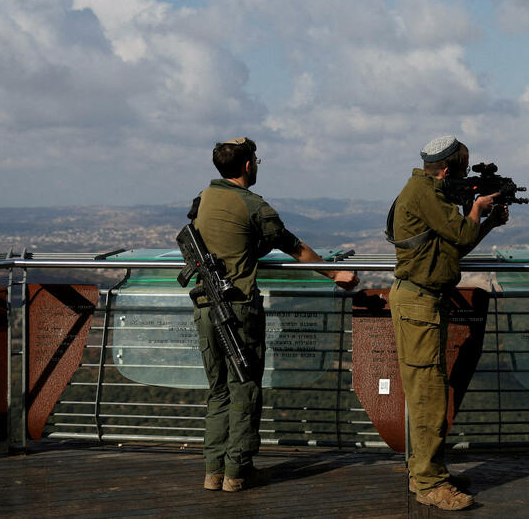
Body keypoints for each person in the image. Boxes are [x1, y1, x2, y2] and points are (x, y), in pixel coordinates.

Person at [190, 137, 358, 492]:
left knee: (218, 389)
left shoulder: (204, 199)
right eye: (256, 160)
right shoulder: (253, 205)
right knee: (245, 388)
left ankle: (212, 471)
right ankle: (238, 471)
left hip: (205, 305)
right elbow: (294, 246)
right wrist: (336, 274)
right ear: (248, 165)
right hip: (237, 308)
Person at [389, 135, 508, 511]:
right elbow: (460, 232)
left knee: (429, 391)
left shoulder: (428, 191)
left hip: (426, 301)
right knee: (430, 396)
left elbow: (455, 246)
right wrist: (476, 208)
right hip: (418, 302)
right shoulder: (425, 193)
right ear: (445, 170)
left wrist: (486, 222)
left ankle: (425, 469)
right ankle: (430, 483)